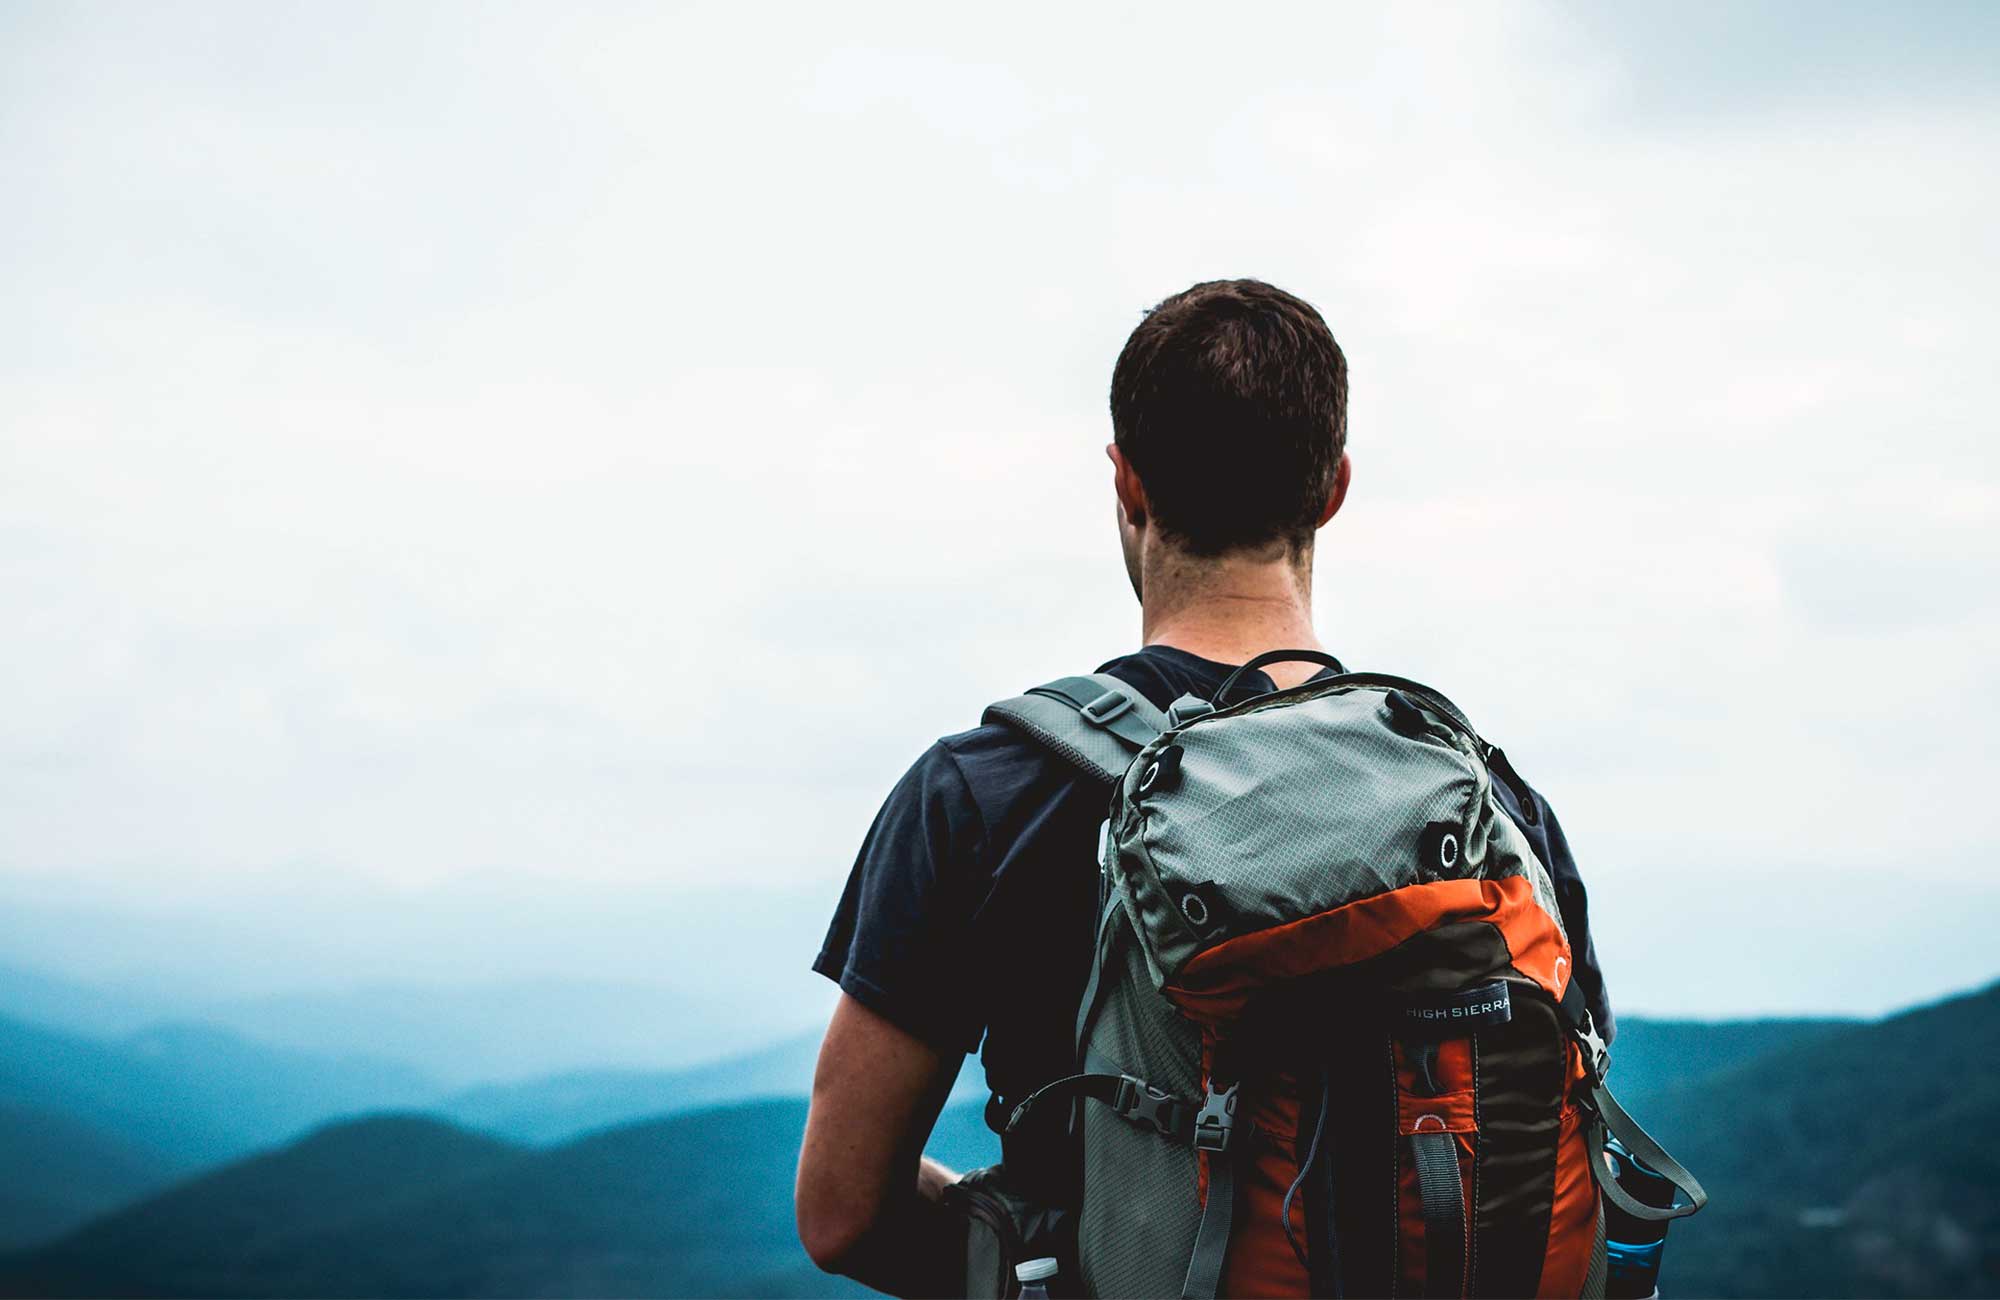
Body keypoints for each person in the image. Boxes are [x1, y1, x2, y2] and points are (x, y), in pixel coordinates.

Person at [795, 279, 1610, 1297]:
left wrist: (1043, 1261)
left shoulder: (980, 794)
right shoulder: (1487, 801)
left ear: (1126, 482)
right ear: (1332, 487)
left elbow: (842, 1213)